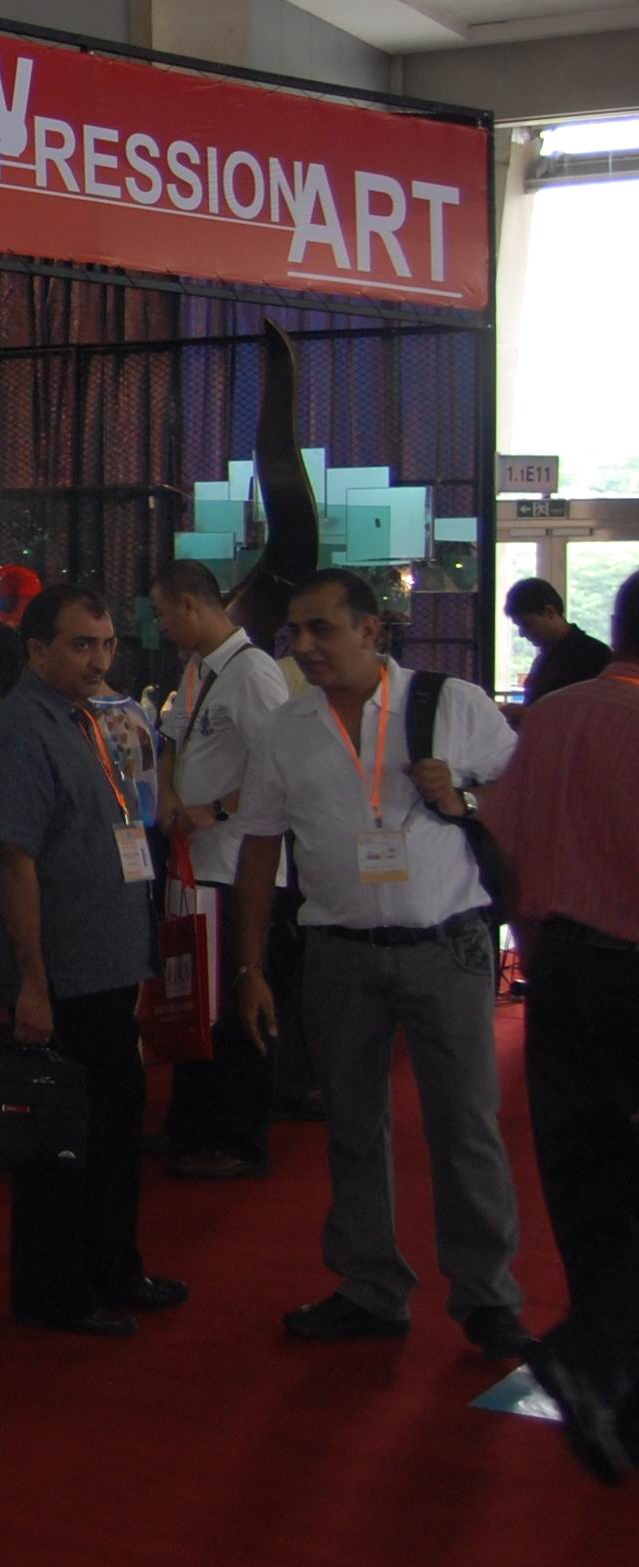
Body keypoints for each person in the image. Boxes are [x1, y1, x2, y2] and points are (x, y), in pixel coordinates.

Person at [229, 569, 531, 1360]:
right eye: (295, 631)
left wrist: (463, 797)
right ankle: (370, 1286)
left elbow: (524, 795)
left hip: (447, 946)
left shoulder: (452, 703)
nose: (304, 645)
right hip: (338, 951)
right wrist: (250, 966)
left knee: (464, 1124)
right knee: (353, 1127)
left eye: (321, 628)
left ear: (371, 631)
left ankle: (488, 1296)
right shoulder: (287, 727)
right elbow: (260, 845)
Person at [0, 583, 186, 1335]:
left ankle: (113, 1268)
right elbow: (16, 864)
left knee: (115, 1127)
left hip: (109, 959)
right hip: (64, 971)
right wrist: (32, 984)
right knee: (61, 1138)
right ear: (38, 650)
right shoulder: (22, 729)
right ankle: (57, 1290)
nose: (99, 661)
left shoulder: (88, 717)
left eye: (107, 644)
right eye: (81, 645)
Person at [485, 569, 639, 1482]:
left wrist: (537, 953)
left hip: (563, 965)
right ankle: (594, 1354)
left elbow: (507, 848)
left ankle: (612, 1381)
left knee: (585, 1176)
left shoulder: (553, 715)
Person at [153, 558, 301, 1181]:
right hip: (196, 865)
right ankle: (195, 1125)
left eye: (164, 613)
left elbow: (281, 769)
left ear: (191, 605)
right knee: (199, 1004)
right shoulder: (198, 669)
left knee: (240, 1000)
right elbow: (171, 740)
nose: (162, 626)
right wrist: (168, 794)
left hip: (241, 867)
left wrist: (212, 809)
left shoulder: (253, 672)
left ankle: (239, 1137)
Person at [507, 577, 611, 708]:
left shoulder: (595, 657)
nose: (522, 633)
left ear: (550, 612)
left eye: (528, 624)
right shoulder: (543, 660)